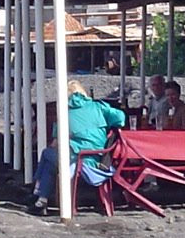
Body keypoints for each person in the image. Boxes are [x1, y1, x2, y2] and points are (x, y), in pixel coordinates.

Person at [31, 79, 127, 213]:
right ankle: (41, 198)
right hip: (99, 157)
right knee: (50, 161)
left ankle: (38, 193)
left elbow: (55, 143)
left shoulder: (65, 115)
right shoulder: (99, 107)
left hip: (80, 161)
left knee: (47, 154)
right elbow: (121, 117)